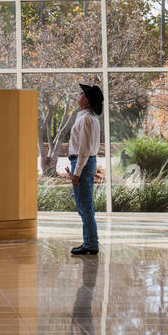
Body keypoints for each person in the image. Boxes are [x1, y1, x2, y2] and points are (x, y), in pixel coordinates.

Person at [68, 82, 102, 256]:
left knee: (85, 206)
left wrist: (77, 172)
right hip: (86, 162)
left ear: (87, 101)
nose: (79, 95)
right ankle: (90, 241)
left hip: (84, 162)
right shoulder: (86, 117)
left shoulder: (87, 119)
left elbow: (84, 148)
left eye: (82, 93)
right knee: (84, 205)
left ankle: (91, 243)